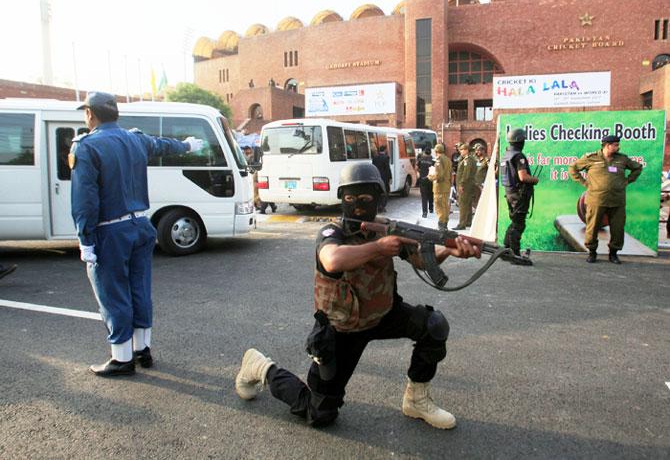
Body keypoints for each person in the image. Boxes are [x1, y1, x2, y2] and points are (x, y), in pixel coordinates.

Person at [234, 163, 480, 429]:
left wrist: (450, 251)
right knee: (320, 413)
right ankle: (260, 367)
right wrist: (378, 248)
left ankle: (416, 401)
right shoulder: (332, 231)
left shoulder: (388, 229)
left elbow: (421, 261)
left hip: (383, 314)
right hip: (343, 328)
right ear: (341, 199)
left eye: (365, 198)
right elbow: (331, 260)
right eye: (350, 198)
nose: (358, 205)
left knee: (434, 326)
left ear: (379, 199)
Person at [70, 91, 203, 377]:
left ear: (90, 114)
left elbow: (85, 201)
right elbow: (164, 146)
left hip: (110, 231)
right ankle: (143, 350)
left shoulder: (87, 146)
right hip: (141, 226)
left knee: (113, 293)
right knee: (139, 289)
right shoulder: (135, 139)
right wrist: (188, 146)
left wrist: (85, 240)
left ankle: (121, 358)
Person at [568, 134, 643, 264]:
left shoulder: (622, 159)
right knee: (592, 228)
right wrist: (585, 183)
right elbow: (573, 168)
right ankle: (592, 252)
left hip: (617, 201)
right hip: (596, 200)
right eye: (615, 145)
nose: (618, 147)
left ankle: (613, 253)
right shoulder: (591, 158)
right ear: (607, 146)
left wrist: (627, 180)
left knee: (618, 229)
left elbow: (638, 167)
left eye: (618, 145)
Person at [501, 128, 539, 262]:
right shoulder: (518, 156)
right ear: (520, 141)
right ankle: (515, 254)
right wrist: (534, 179)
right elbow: (523, 177)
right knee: (518, 224)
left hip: (509, 192)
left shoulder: (506, 155)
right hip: (519, 194)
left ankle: (505, 250)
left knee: (514, 221)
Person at [453, 143, 477, 230]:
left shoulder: (467, 160)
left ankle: (461, 224)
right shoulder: (468, 159)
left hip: (465, 185)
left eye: (462, 150)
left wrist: (462, 184)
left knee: (463, 204)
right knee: (468, 204)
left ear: (466, 150)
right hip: (469, 185)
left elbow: (466, 174)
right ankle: (468, 221)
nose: (460, 152)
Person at [428, 143, 451, 230]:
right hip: (446, 186)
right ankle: (445, 224)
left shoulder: (438, 159)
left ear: (436, 151)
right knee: (445, 206)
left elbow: (439, 175)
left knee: (439, 206)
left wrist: (431, 177)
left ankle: (441, 225)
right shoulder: (448, 159)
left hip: (439, 187)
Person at [371, 145, 392, 213]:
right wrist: (390, 178)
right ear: (385, 150)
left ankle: (378, 206)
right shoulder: (386, 157)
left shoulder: (375, 158)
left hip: (376, 177)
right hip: (384, 178)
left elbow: (373, 167)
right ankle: (382, 207)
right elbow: (387, 169)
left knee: (378, 192)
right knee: (385, 192)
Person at [416, 146, 434, 217]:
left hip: (422, 179)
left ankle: (424, 212)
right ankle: (431, 208)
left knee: (424, 196)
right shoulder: (433, 160)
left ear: (424, 152)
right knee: (430, 194)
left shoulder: (420, 159)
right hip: (430, 179)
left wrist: (420, 172)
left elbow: (417, 168)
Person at [473, 143, 489, 207]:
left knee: (482, 198)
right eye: (476, 150)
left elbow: (491, 169)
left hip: (482, 183)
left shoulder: (486, 159)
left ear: (483, 151)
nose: (477, 152)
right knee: (475, 198)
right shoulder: (475, 159)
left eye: (479, 150)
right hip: (474, 182)